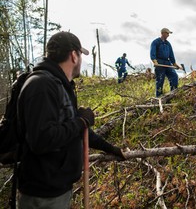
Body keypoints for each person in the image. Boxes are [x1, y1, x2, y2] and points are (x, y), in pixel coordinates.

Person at [17, 31, 125, 209]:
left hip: (57, 190)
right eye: (81, 54)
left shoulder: (58, 84)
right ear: (74, 55)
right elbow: (42, 139)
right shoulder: (42, 85)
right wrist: (81, 121)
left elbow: (75, 129)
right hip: (43, 195)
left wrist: (109, 148)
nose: (81, 60)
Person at [150, 28, 180, 97]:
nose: (168, 35)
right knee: (160, 80)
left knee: (174, 76)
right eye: (167, 33)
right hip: (159, 62)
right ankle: (159, 97)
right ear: (163, 33)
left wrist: (175, 64)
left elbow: (171, 55)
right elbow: (152, 52)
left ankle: (173, 93)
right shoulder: (156, 42)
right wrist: (155, 61)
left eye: (168, 33)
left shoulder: (168, 44)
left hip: (167, 62)